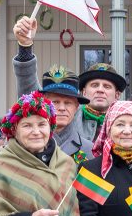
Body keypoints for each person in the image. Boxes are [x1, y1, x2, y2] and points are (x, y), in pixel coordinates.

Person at [10, 17, 95, 162]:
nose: (61, 108)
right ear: (43, 104)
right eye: (55, 102)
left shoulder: (88, 150)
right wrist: (25, 46)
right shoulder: (27, 144)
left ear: (76, 107)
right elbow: (27, 81)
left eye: (67, 103)